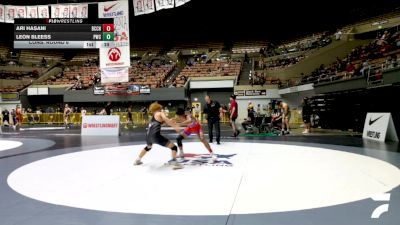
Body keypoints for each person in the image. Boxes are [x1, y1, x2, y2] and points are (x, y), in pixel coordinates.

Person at [133, 102, 183, 170]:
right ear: (158, 108)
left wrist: (169, 121)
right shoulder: (160, 113)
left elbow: (161, 123)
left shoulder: (153, 117)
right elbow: (166, 119)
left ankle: (137, 160)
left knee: (148, 147)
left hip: (148, 136)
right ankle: (175, 163)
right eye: (161, 108)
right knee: (174, 147)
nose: (162, 109)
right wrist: (175, 127)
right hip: (155, 136)